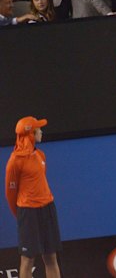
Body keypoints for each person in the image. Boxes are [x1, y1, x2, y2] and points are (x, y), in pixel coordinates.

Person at [4, 116, 62, 278]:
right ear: (30, 134)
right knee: (28, 260)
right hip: (28, 213)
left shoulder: (40, 155)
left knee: (51, 257)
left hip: (48, 208)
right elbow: (10, 192)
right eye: (38, 130)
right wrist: (21, 215)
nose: (41, 132)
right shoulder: (14, 161)